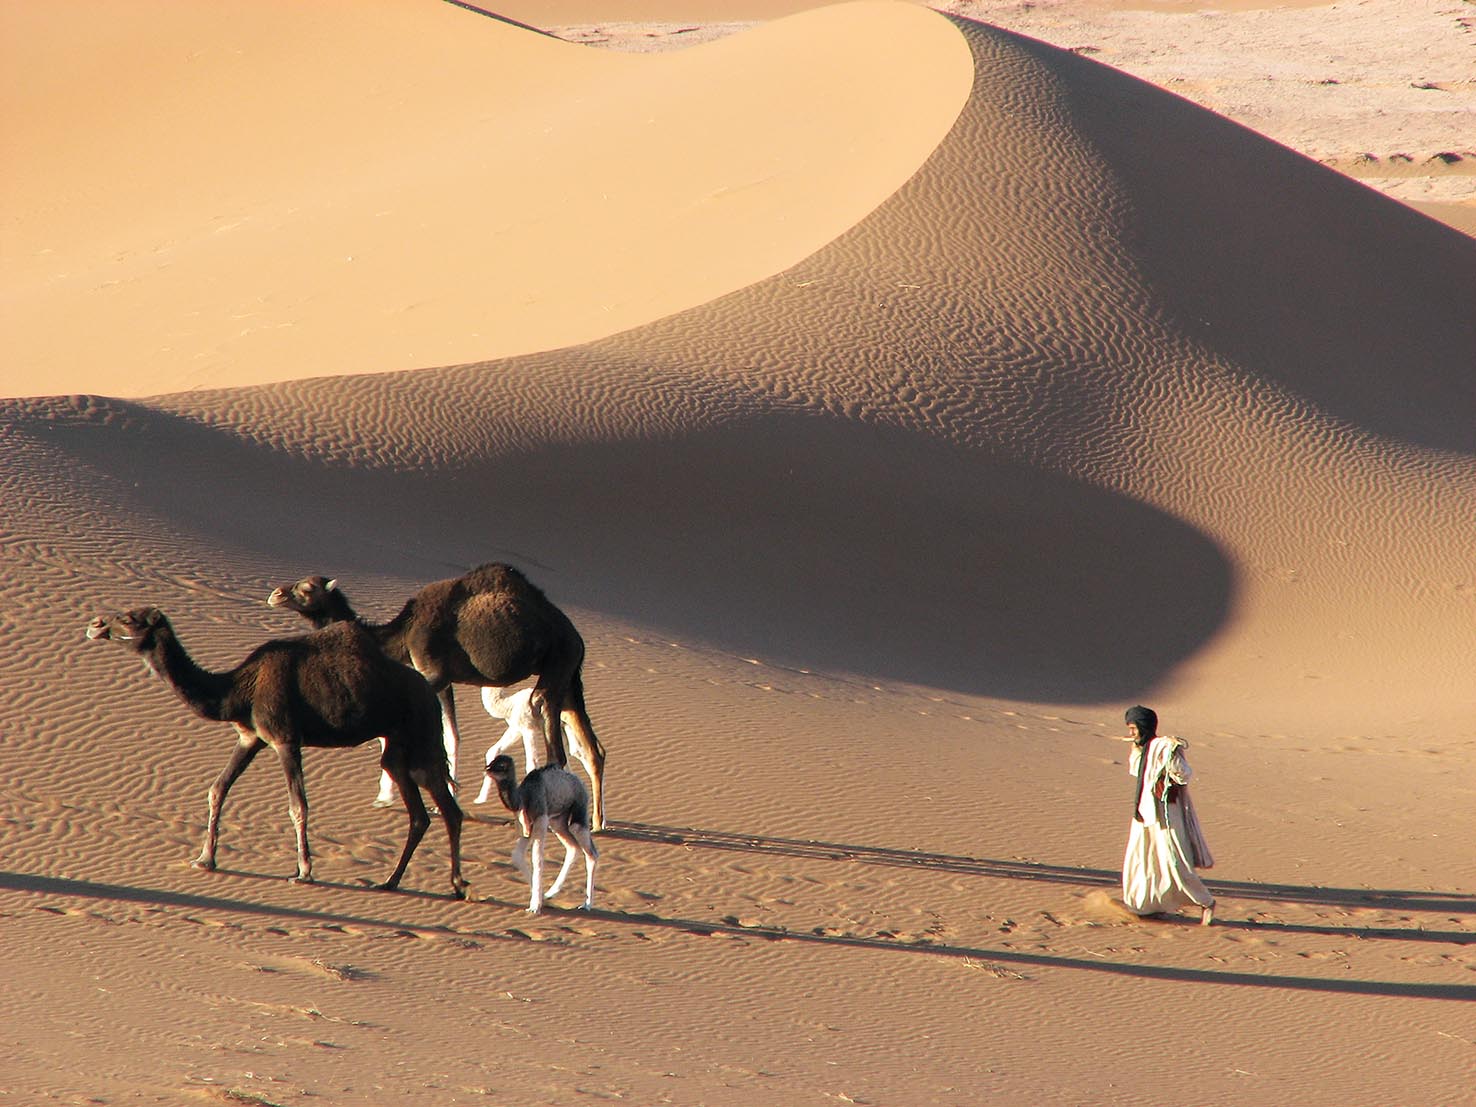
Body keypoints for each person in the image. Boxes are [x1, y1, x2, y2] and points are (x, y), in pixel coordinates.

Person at [1119, 705, 1216, 925]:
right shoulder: (1142, 748)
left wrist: (1168, 772)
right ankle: (1146, 907)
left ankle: (1206, 902)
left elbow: (1184, 774)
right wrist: (1136, 749)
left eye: (1134, 728)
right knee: (1142, 860)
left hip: (1165, 814)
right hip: (1144, 814)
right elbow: (1136, 771)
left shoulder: (1165, 747)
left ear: (1144, 726)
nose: (1131, 733)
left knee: (1173, 860)